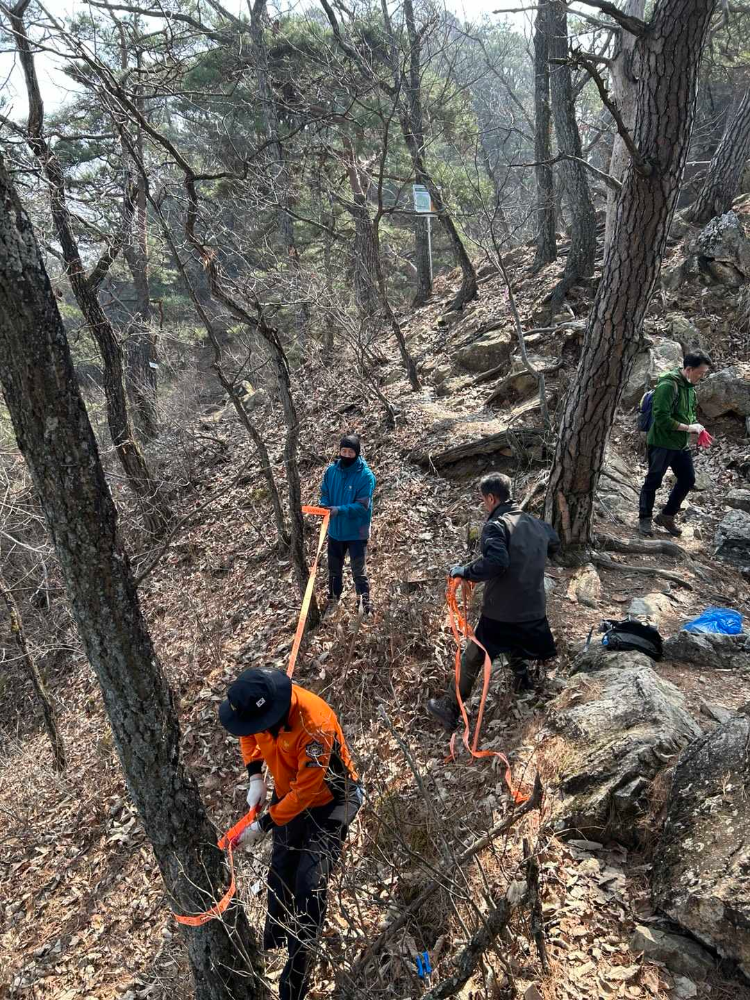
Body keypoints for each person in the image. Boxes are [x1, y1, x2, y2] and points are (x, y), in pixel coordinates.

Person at [219, 667, 362, 1000]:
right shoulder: (260, 716)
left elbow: (308, 793)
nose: (254, 729)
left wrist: (264, 825)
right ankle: (278, 940)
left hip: (332, 798)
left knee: (309, 883)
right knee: (281, 871)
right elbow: (247, 733)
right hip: (289, 792)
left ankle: (295, 977)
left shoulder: (314, 725)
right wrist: (255, 775)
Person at [426, 473, 559, 732]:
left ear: (491, 498)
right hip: (534, 608)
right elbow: (554, 545)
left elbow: (497, 563)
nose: (484, 506)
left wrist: (465, 571)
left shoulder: (496, 526)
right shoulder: (537, 524)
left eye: (484, 501)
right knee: (514, 642)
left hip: (502, 610)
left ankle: (450, 708)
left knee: (474, 654)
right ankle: (523, 683)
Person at [638, 351, 712, 538]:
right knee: (653, 480)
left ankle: (666, 515)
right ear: (688, 369)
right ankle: (644, 518)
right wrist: (689, 428)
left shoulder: (689, 388)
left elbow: (689, 414)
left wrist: (697, 427)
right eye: (700, 373)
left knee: (688, 479)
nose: (702, 377)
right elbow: (662, 418)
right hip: (662, 442)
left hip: (680, 444)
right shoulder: (668, 385)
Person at [320, 434, 376, 614]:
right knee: (333, 569)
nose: (346, 455)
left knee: (358, 571)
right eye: (343, 451)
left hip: (356, 534)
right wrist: (324, 504)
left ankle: (364, 606)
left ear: (357, 454)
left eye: (350, 452)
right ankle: (333, 600)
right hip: (335, 531)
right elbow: (325, 491)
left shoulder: (365, 476)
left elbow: (362, 506)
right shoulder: (331, 471)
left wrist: (339, 510)